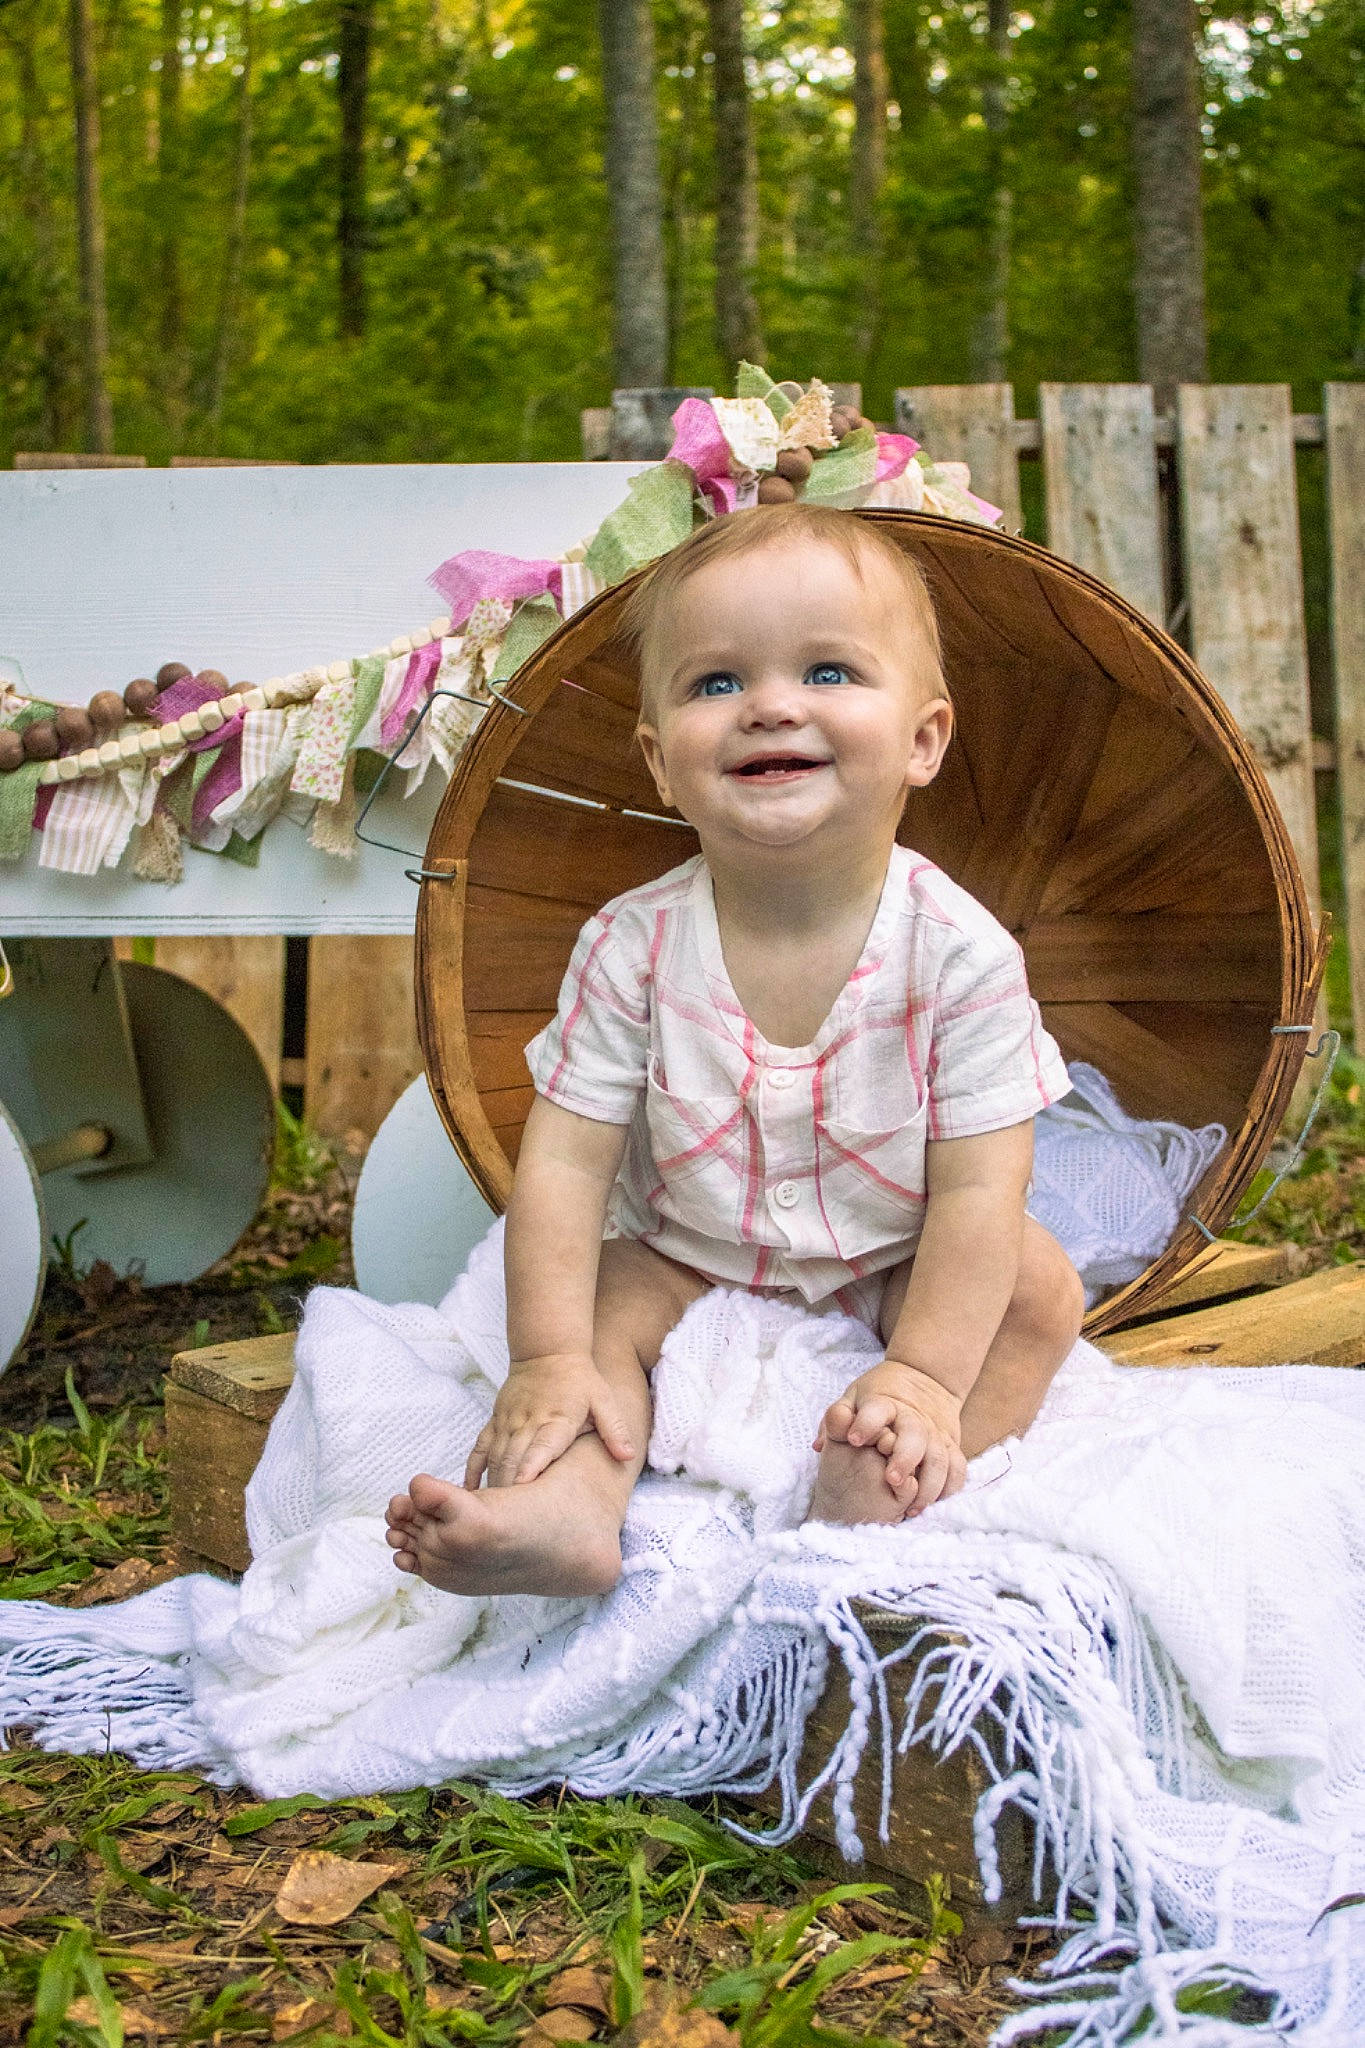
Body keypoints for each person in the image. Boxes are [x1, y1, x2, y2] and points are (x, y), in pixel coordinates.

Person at [386, 502, 1084, 1598]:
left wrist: (921, 1370)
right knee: (596, 1310)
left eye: (827, 671)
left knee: (1037, 1289)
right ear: (660, 762)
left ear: (922, 741)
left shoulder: (962, 956)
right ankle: (569, 1508)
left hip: (894, 1250)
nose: (769, 705)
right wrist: (547, 1356)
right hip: (690, 1248)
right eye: (716, 682)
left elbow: (978, 1193)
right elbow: (563, 1166)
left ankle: (900, 1470)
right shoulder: (629, 945)